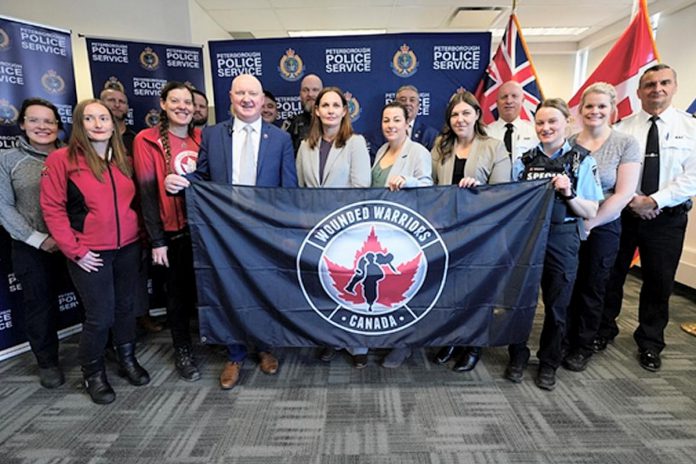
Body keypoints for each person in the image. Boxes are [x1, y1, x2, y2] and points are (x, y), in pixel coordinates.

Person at [164, 74, 297, 390]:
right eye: (241, 94)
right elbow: (204, 176)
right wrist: (181, 183)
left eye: (253, 93)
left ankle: (265, 348)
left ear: (263, 99)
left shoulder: (279, 139)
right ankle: (235, 354)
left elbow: (288, 188)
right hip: (226, 232)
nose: (248, 99)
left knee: (264, 289)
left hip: (265, 232)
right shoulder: (212, 135)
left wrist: (285, 231)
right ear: (231, 97)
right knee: (231, 292)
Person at [40, 99, 149, 404]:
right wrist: (75, 250)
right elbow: (52, 209)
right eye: (90, 118)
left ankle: (127, 360)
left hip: (127, 248)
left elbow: (133, 204)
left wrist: (139, 237)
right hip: (89, 253)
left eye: (104, 118)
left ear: (113, 124)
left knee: (126, 309)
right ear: (79, 124)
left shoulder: (123, 159)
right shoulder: (62, 160)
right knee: (100, 316)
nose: (98, 124)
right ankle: (93, 373)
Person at [599, 64, 696, 372]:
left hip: (667, 217)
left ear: (674, 87)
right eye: (650, 84)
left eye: (664, 83)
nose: (657, 89)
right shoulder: (623, 129)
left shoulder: (690, 127)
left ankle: (650, 342)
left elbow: (692, 176)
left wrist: (654, 200)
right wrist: (632, 201)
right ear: (639, 92)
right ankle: (604, 329)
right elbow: (611, 172)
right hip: (625, 214)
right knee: (612, 274)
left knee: (658, 281)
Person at [505, 98, 603, 390]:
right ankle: (517, 356)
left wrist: (569, 193)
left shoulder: (582, 161)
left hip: (562, 238)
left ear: (567, 123)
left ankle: (549, 362)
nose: (545, 128)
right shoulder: (523, 161)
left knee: (557, 305)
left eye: (552, 122)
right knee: (520, 302)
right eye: (540, 122)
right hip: (527, 239)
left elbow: (592, 211)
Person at [562, 83, 641, 372]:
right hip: (569, 223)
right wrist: (578, 222)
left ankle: (582, 345)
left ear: (612, 110)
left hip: (604, 225)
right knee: (567, 283)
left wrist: (591, 223)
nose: (595, 111)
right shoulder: (568, 143)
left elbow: (623, 193)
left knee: (593, 286)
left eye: (601, 106)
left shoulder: (625, 143)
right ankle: (563, 338)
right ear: (581, 110)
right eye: (589, 106)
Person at [431, 91, 511, 373]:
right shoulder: (441, 144)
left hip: (481, 232)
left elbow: (503, 192)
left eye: (466, 113)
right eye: (454, 114)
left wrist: (479, 188)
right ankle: (452, 338)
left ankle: (473, 344)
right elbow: (430, 186)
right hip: (448, 230)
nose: (460, 119)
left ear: (477, 114)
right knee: (450, 289)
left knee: (477, 290)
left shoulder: (494, 146)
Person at [296, 87, 371, 366]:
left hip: (347, 232)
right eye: (324, 105)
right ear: (316, 111)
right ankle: (330, 339)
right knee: (324, 288)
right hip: (315, 232)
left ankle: (357, 345)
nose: (329, 110)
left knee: (351, 289)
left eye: (335, 105)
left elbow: (360, 187)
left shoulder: (355, 142)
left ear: (343, 111)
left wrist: (337, 221)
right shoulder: (306, 145)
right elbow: (301, 190)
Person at [132, 82, 203, 382]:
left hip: (203, 231)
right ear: (163, 104)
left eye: (187, 102)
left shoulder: (203, 137)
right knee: (176, 297)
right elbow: (146, 194)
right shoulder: (146, 140)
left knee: (206, 292)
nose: (182, 107)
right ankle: (182, 350)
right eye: (175, 101)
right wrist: (157, 240)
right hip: (170, 233)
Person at [0, 98, 65, 388]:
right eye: (35, 120)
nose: (43, 126)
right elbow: (3, 207)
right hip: (32, 247)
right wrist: (39, 240)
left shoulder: (71, 155)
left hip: (74, 245)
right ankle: (48, 361)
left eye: (49, 121)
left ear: (58, 126)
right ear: (23, 124)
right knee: (39, 305)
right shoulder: (9, 160)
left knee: (95, 301)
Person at [372, 100, 433, 368]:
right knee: (385, 290)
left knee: (403, 290)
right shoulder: (380, 151)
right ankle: (387, 337)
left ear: (407, 123)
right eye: (386, 120)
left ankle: (404, 344)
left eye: (396, 120)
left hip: (404, 234)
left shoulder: (418, 152)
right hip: (380, 232)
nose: (391, 125)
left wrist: (409, 183)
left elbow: (429, 186)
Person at [100, 86, 163, 335]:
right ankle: (111, 330)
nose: (117, 105)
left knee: (137, 272)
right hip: (102, 224)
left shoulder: (136, 139)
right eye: (110, 101)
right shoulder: (86, 142)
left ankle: (141, 315)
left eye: (121, 101)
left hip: (136, 217)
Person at [485, 80, 538, 163]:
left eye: (514, 96)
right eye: (504, 97)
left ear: (523, 100)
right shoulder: (485, 133)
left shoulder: (534, 132)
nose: (509, 101)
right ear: (497, 102)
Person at [282, 73, 323, 153]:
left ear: (322, 93)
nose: (310, 94)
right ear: (300, 95)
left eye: (315, 90)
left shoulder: (333, 122)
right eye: (305, 90)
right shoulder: (291, 123)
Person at [395, 85, 439, 151]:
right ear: (395, 105)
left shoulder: (430, 134)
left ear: (418, 106)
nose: (407, 103)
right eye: (403, 100)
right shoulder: (383, 133)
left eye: (412, 100)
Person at [100, 87, 137, 154]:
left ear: (127, 108)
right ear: (100, 104)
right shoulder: (92, 137)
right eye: (111, 100)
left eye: (122, 102)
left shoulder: (136, 140)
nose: (117, 105)